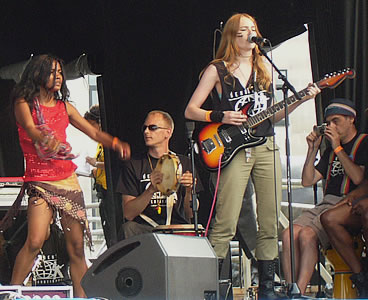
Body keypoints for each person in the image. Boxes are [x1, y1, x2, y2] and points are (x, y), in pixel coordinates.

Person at [184, 13, 320, 299]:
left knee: (270, 219)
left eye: (253, 29)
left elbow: (274, 114)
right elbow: (191, 110)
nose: (249, 34)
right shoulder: (217, 70)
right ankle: (213, 289)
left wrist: (300, 100)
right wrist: (219, 115)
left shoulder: (264, 69)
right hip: (234, 149)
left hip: (266, 146)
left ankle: (267, 288)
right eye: (243, 30)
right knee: (226, 219)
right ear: (232, 37)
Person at [0, 54, 130, 297]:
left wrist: (114, 142)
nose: (58, 77)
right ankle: (12, 293)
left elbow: (92, 130)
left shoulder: (65, 107)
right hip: (40, 180)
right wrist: (43, 138)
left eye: (60, 73)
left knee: (77, 248)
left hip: (67, 180)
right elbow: (29, 128)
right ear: (38, 75)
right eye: (52, 73)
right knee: (36, 240)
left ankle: (83, 297)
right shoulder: (23, 102)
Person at [281, 98, 368, 295]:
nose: (331, 126)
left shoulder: (362, 143)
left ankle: (299, 292)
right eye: (328, 122)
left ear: (350, 119)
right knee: (288, 234)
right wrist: (312, 150)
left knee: (307, 234)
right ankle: (291, 289)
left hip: (347, 202)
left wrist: (338, 147)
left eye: (336, 121)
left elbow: (358, 177)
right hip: (325, 203)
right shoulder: (329, 150)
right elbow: (307, 180)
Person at [116, 110, 201, 238]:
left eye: (152, 128)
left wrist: (189, 191)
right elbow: (128, 214)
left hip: (176, 228)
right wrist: (150, 190)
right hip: (146, 230)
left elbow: (191, 214)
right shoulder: (134, 165)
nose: (146, 132)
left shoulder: (184, 163)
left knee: (195, 229)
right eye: (145, 128)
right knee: (128, 228)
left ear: (168, 132)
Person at [84, 105, 113, 247]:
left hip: (111, 191)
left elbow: (112, 164)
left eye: (92, 126)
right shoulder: (100, 144)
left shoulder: (109, 141)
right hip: (103, 190)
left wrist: (96, 164)